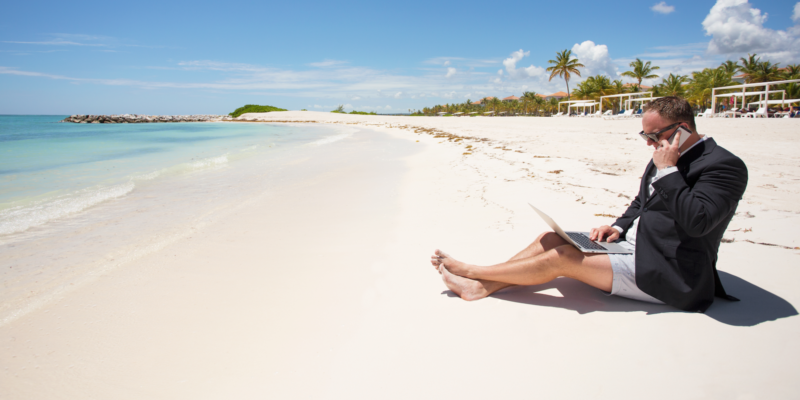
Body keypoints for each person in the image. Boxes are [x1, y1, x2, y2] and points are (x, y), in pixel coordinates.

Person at [431, 96, 748, 312]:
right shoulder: (667, 154)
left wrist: (667, 170)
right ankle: (482, 287)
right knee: (549, 238)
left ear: (683, 129)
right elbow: (643, 202)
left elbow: (698, 221)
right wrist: (618, 226)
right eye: (645, 136)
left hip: (671, 272)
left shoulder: (723, 165)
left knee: (562, 257)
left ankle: (475, 274)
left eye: (654, 136)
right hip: (632, 247)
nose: (649, 144)